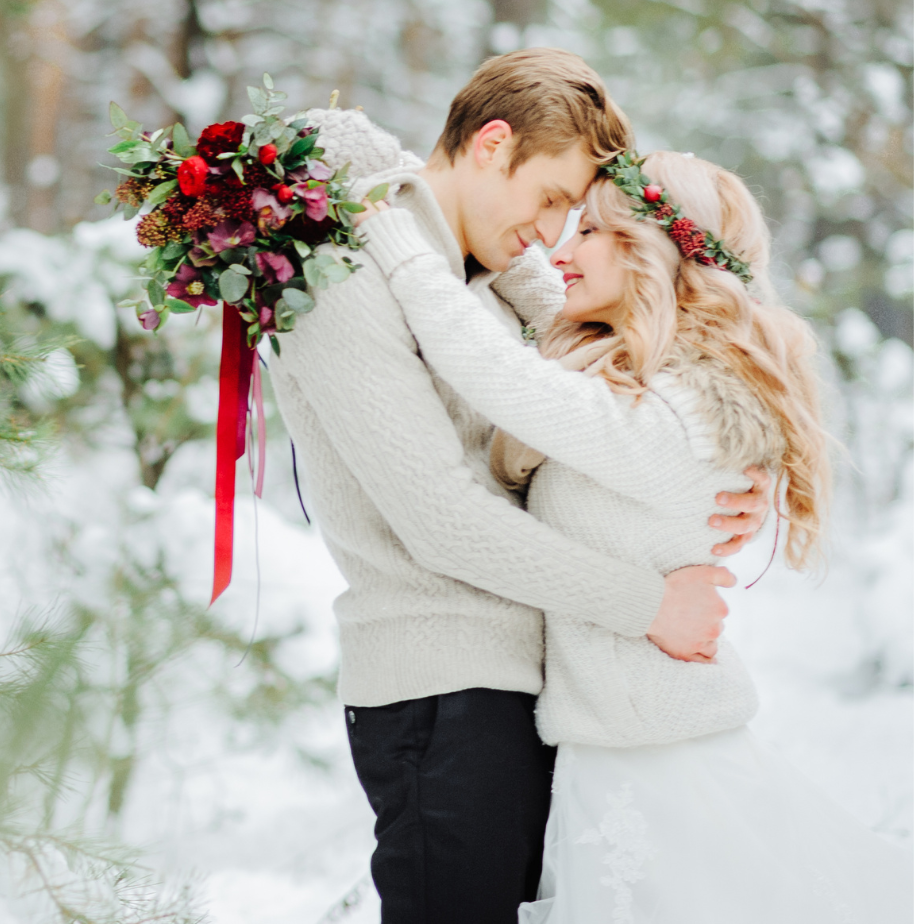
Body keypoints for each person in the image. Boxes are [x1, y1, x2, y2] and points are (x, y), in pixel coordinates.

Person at [268, 50, 770, 924]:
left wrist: (732, 464)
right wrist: (649, 604)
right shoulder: (344, 274)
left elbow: (636, 367)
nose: (551, 233)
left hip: (528, 686)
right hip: (441, 687)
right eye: (548, 200)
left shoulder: (490, 275)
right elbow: (442, 521)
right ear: (491, 144)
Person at [356, 148, 912, 922]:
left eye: (588, 231)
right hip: (615, 754)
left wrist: (394, 242)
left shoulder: (682, 416)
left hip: (657, 767)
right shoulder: (654, 386)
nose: (561, 249)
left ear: (652, 255)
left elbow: (499, 376)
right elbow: (544, 348)